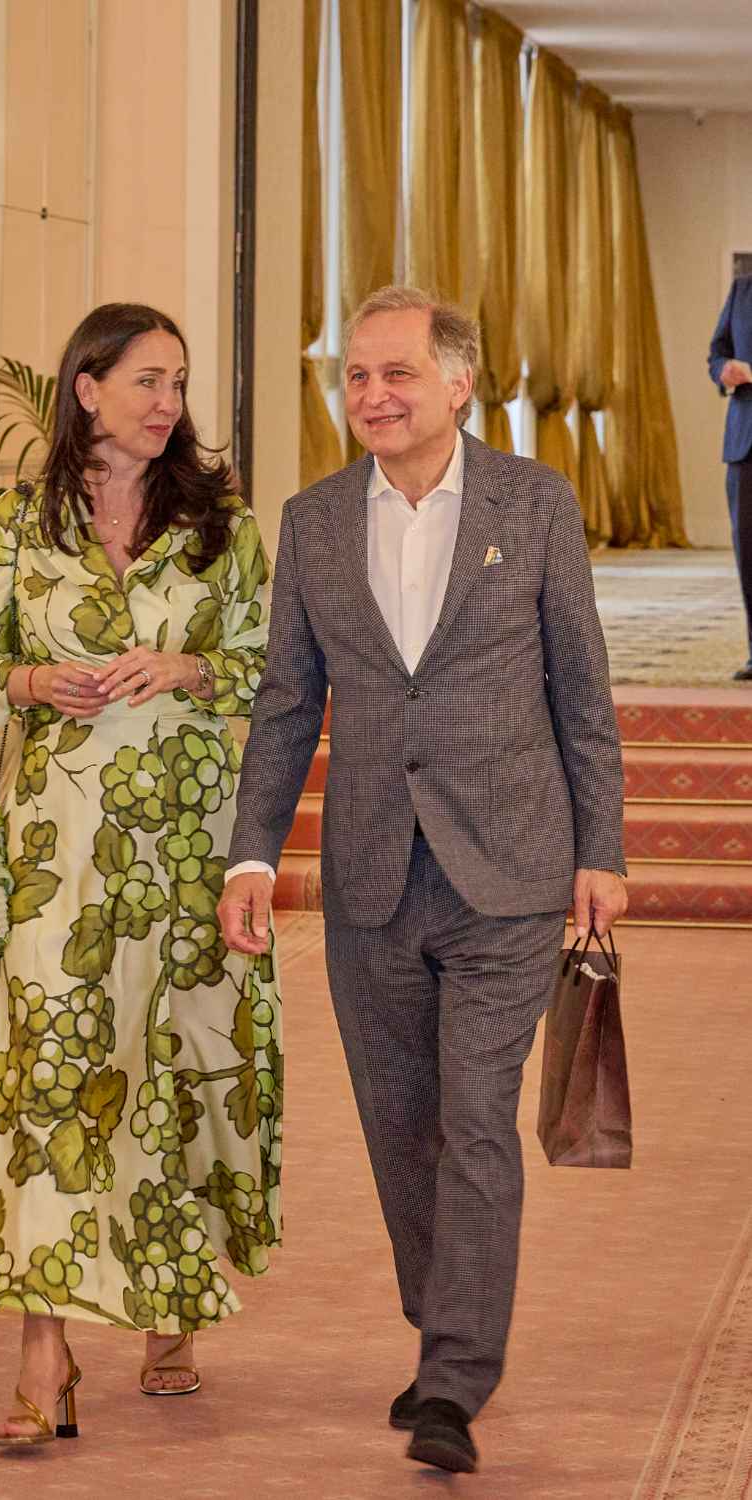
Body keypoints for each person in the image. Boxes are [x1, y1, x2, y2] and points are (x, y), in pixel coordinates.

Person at [218, 286, 627, 1475]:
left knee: (473, 1123)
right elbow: (286, 702)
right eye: (356, 375)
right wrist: (252, 851)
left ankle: (452, 1377)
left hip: (509, 870)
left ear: (457, 384)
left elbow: (581, 691)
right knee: (402, 1131)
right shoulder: (313, 521)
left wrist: (599, 851)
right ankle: (442, 1318)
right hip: (370, 880)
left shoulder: (533, 504)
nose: (372, 395)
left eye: (396, 373)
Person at [0, 302, 280, 1446]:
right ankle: (43, 1356)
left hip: (189, 844)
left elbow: (270, 669)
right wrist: (38, 684)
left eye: (178, 383)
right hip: (60, 852)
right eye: (147, 380)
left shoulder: (218, 525)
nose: (167, 402)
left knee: (174, 1063)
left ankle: (171, 1306)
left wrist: (186, 668)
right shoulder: (13, 526)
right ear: (86, 387)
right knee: (47, 1081)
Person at [708, 272, 752, 680]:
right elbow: (717, 352)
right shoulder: (742, 288)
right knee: (748, 549)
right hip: (744, 443)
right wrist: (723, 370)